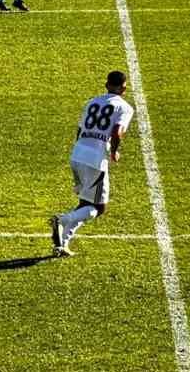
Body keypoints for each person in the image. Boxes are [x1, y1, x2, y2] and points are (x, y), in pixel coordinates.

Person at [50, 70, 135, 257]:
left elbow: (80, 129)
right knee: (99, 207)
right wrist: (113, 152)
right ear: (124, 87)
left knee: (86, 203)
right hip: (95, 160)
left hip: (77, 153)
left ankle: (62, 244)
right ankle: (62, 220)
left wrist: (81, 148)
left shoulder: (92, 102)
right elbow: (116, 132)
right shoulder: (125, 107)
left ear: (106, 85)